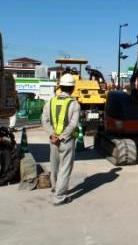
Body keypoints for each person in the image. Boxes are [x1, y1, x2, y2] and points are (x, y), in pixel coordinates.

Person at [42, 74, 81, 205]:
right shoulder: (74, 104)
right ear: (72, 88)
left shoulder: (50, 101)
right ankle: (60, 197)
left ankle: (55, 187)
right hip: (66, 141)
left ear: (60, 86)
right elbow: (73, 124)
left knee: (54, 166)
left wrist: (52, 134)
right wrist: (63, 136)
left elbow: (44, 120)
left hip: (53, 141)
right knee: (65, 168)